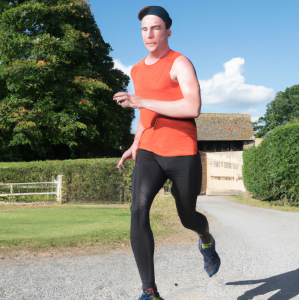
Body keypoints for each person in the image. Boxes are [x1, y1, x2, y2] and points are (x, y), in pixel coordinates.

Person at [113, 6, 220, 300]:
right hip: (149, 150)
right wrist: (135, 144)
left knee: (188, 217)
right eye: (145, 29)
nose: (149, 34)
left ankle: (206, 239)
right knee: (138, 210)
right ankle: (150, 291)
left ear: (168, 31)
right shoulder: (136, 69)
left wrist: (141, 100)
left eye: (156, 28)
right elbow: (145, 114)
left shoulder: (179, 63)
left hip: (182, 150)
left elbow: (192, 108)